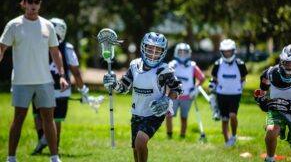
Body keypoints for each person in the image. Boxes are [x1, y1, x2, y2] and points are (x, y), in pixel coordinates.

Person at [0, 0, 68, 162]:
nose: (33, 5)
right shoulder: (14, 25)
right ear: (23, 3)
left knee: (49, 119)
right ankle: (11, 158)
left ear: (40, 4)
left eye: (36, 2)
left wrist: (61, 75)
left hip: (44, 81)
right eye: (29, 2)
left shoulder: (47, 25)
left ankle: (54, 157)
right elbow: (2, 47)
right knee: (18, 119)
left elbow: (55, 51)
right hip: (21, 82)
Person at [103, 32, 182, 162]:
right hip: (137, 111)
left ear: (163, 52)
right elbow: (124, 86)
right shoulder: (134, 65)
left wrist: (167, 99)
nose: (153, 53)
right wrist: (114, 84)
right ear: (143, 47)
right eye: (150, 48)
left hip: (154, 113)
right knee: (135, 147)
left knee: (140, 142)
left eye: (158, 50)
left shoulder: (164, 69)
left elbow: (177, 88)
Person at [31, 17, 90, 155]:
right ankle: (54, 147)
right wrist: (83, 90)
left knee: (37, 114)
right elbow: (76, 71)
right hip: (60, 90)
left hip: (41, 87)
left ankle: (43, 139)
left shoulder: (38, 45)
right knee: (56, 118)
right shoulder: (67, 48)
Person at [253, 44, 291, 162]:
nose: (290, 66)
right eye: (287, 63)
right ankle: (269, 159)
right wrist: (262, 96)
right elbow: (264, 78)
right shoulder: (272, 72)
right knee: (271, 132)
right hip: (277, 111)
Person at [209, 39, 248, 147]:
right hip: (221, 94)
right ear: (222, 52)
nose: (227, 53)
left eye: (229, 51)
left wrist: (242, 84)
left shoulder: (240, 64)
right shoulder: (217, 64)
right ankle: (227, 142)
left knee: (233, 115)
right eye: (225, 51)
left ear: (233, 51)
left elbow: (243, 78)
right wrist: (212, 88)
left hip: (235, 95)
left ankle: (234, 135)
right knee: (224, 119)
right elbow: (214, 79)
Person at [166, 43, 205, 138]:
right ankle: (169, 135)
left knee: (184, 117)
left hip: (187, 96)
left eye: (185, 53)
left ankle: (182, 136)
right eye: (180, 52)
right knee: (169, 116)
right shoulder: (172, 65)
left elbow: (202, 78)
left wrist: (195, 89)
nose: (183, 55)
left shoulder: (192, 66)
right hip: (173, 96)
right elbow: (166, 78)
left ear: (189, 53)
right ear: (176, 53)